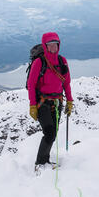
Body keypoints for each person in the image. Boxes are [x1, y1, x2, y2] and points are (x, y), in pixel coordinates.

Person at [27, 32, 73, 172]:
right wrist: (33, 105)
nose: (53, 47)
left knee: (54, 132)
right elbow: (31, 84)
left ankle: (44, 160)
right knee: (50, 133)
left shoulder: (62, 61)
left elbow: (66, 83)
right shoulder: (39, 62)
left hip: (57, 102)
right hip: (43, 103)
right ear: (45, 46)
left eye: (55, 44)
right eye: (50, 45)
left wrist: (70, 101)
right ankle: (40, 163)